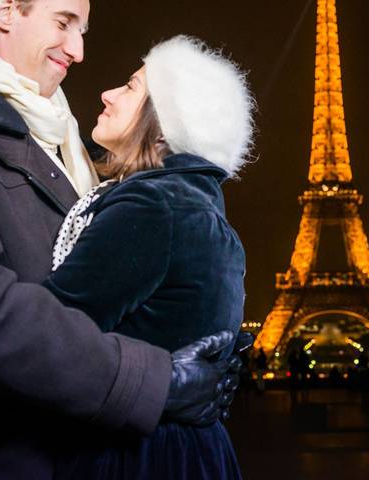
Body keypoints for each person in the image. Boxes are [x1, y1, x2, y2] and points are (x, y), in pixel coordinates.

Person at [0, 0, 246, 479]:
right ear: (5, 12)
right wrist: (158, 380)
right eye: (64, 23)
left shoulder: (77, 158)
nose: (78, 50)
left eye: (84, 31)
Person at [41, 34, 255, 479]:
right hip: (189, 450)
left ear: (164, 125)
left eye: (132, 87)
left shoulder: (154, 207)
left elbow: (49, 332)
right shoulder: (198, 208)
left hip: (130, 455)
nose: (108, 93)